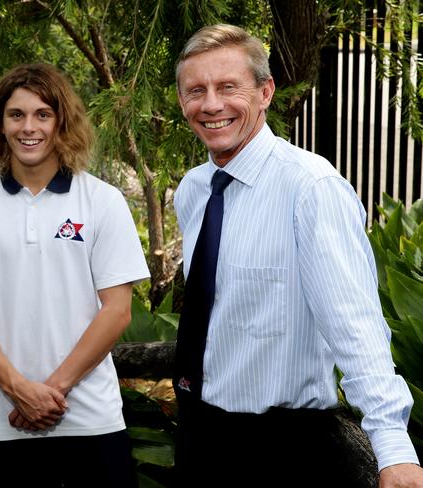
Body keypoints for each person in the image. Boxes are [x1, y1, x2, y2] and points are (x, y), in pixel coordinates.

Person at [172, 24, 423, 487]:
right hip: (199, 435)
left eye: (228, 87)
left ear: (265, 92)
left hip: (286, 449)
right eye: (195, 91)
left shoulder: (310, 189)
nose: (211, 104)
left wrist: (392, 446)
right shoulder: (193, 191)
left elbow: (355, 323)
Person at [0, 63, 150, 487]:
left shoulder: (102, 202)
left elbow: (118, 310)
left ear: (61, 122)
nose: (28, 127)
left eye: (42, 114)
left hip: (92, 421)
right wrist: (18, 390)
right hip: (6, 423)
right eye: (16, 115)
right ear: (0, 123)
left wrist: (49, 392)